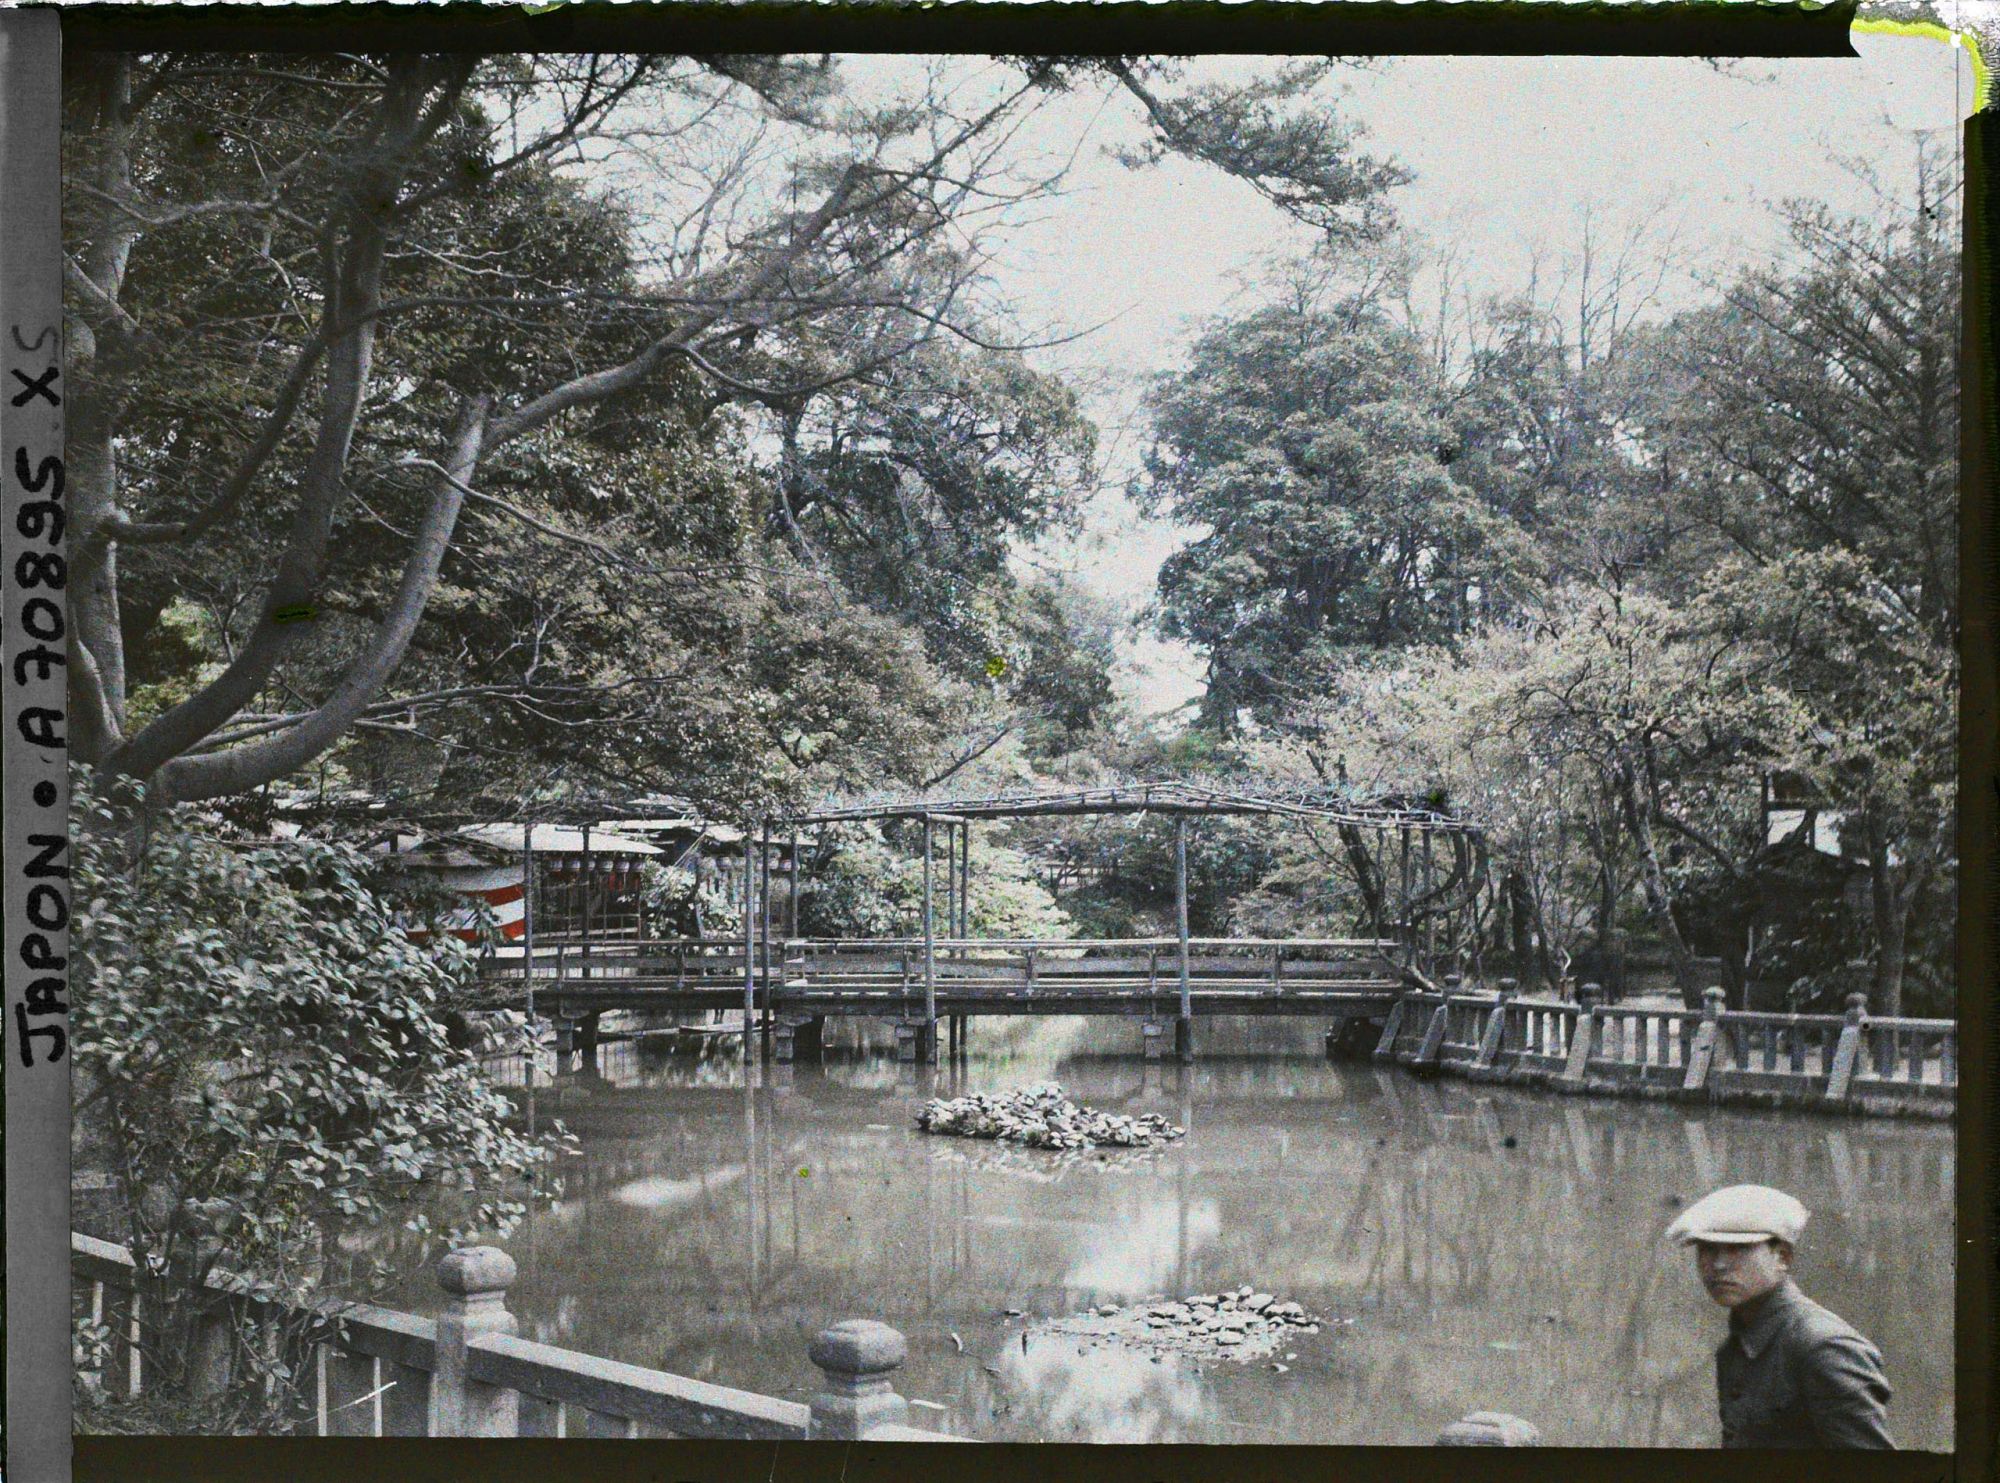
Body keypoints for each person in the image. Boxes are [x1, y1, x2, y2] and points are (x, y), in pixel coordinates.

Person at [1666, 1183, 1894, 1448]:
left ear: (1782, 1257)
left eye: (1738, 1249)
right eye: (1707, 1249)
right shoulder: (1738, 1345)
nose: (1718, 1265)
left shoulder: (1822, 1346)